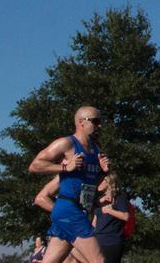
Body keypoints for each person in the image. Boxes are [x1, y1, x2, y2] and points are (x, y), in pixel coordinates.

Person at [29, 105, 110, 263]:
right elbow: (35, 165)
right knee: (99, 260)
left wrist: (104, 172)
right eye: (96, 121)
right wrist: (65, 167)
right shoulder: (67, 144)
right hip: (68, 210)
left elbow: (92, 181)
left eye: (101, 121)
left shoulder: (96, 149)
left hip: (81, 210)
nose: (100, 125)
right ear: (81, 122)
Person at [93, 172, 129, 263]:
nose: (98, 182)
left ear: (109, 182)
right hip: (97, 242)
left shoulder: (119, 197)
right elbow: (95, 221)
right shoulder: (99, 199)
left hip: (111, 242)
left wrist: (109, 211)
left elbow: (125, 216)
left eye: (101, 180)